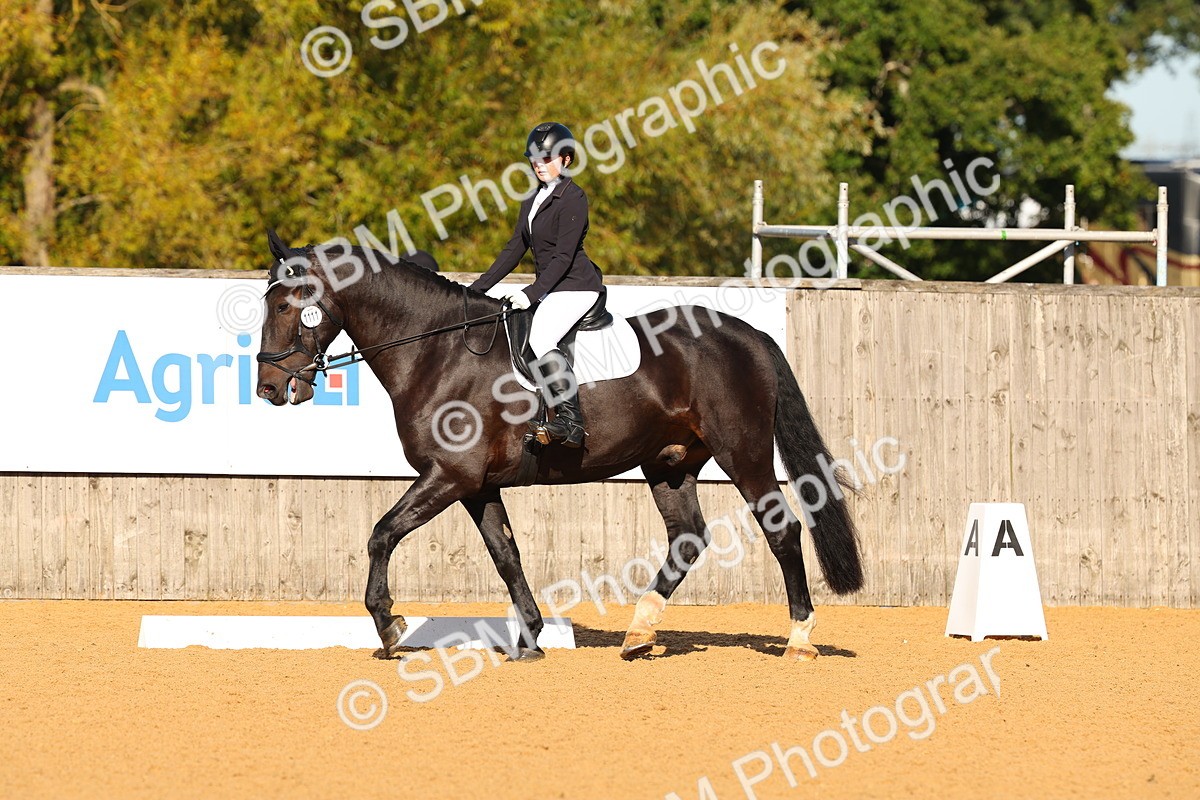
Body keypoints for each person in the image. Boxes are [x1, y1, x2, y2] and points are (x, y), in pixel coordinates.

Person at [469, 122, 603, 448]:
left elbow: (563, 257)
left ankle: (571, 422)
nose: (539, 165)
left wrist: (531, 293)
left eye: (547, 158)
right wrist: (476, 289)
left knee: (541, 337)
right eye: (534, 159)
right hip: (552, 288)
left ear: (566, 159)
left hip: (576, 287)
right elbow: (515, 248)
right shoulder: (532, 197)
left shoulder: (574, 198)